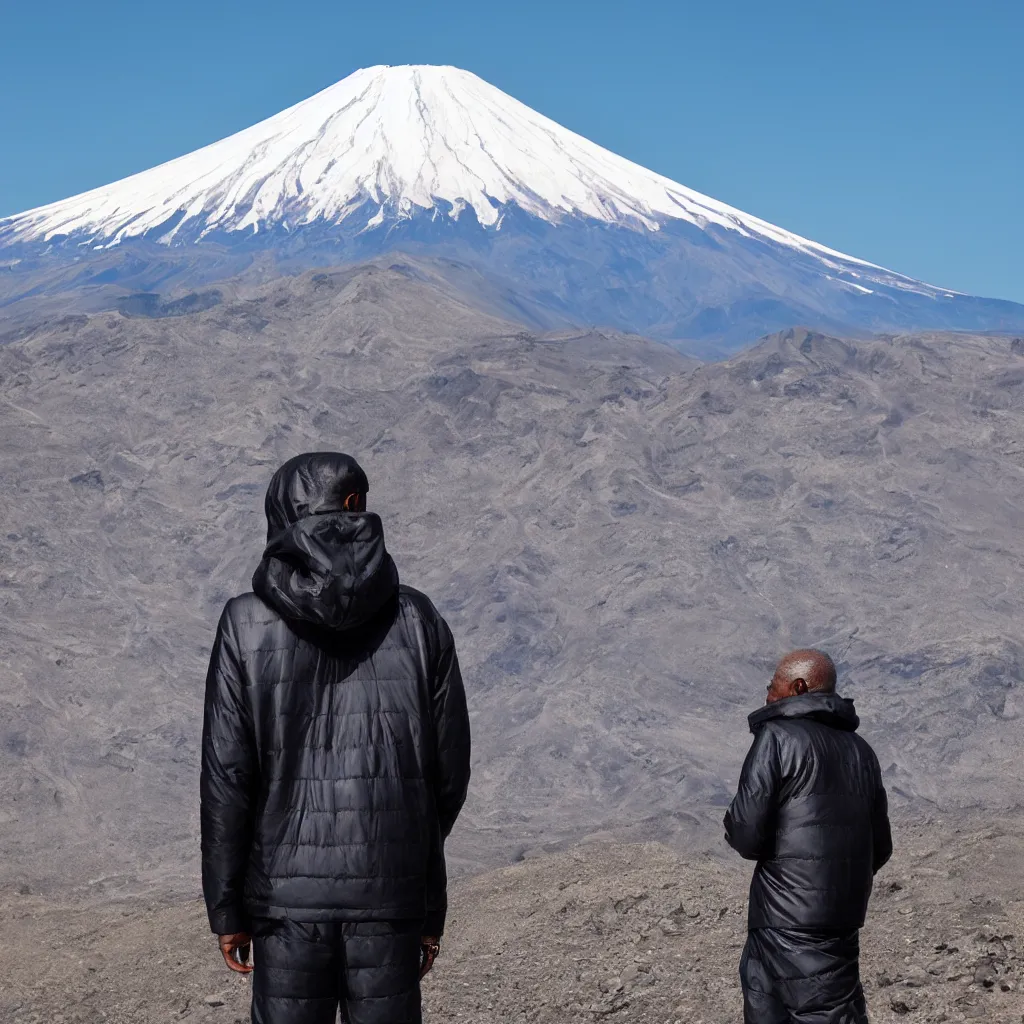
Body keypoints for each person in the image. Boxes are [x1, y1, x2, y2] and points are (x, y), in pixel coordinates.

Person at [200, 451, 471, 1024]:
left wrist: (228, 910)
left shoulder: (244, 623)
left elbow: (227, 780)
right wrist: (415, 886)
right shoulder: (419, 621)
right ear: (354, 507)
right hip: (389, 902)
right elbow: (448, 776)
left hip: (285, 907)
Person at [724, 649, 892, 1024]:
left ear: (798, 687)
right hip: (837, 923)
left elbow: (746, 834)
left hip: (782, 919)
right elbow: (880, 847)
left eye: (773, 687)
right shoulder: (862, 752)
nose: (767, 695)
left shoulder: (777, 738)